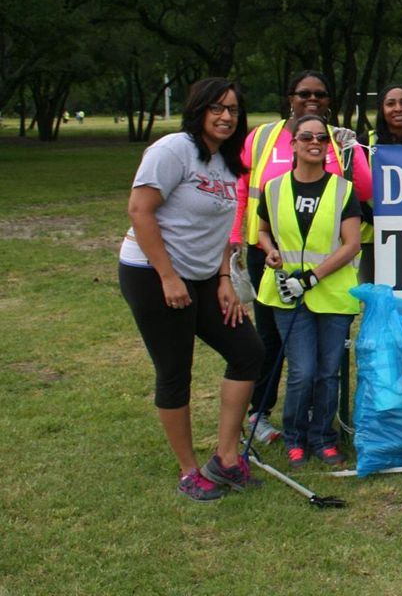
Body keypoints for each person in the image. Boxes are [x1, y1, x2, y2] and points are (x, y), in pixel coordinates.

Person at [119, 78, 264, 501]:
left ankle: (226, 459)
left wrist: (222, 279)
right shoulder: (172, 150)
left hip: (202, 279)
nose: (226, 116)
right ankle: (189, 472)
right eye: (217, 108)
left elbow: (219, 226)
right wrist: (167, 277)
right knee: (175, 371)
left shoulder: (225, 160)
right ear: (198, 109)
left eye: (234, 110)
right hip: (152, 274)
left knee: (247, 352)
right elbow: (139, 210)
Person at [231, 71, 371, 446]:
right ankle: (260, 413)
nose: (313, 99)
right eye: (304, 93)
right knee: (270, 343)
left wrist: (351, 150)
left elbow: (365, 189)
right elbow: (244, 190)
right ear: (290, 97)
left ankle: (315, 421)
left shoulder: (338, 143)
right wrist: (243, 241)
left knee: (319, 363)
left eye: (321, 94)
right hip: (272, 257)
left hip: (328, 270)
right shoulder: (262, 137)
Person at [257, 114, 361, 468]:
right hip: (286, 294)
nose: (314, 142)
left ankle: (323, 437)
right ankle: (295, 436)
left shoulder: (343, 189)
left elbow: (352, 244)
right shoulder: (273, 187)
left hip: (332, 294)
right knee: (302, 370)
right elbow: (262, 230)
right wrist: (268, 249)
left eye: (321, 137)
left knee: (328, 370)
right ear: (294, 144)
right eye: (306, 137)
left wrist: (314, 276)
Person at [359, 84, 402, 284]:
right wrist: (383, 221)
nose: (398, 108)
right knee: (376, 302)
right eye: (390, 103)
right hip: (370, 240)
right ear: (382, 109)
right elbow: (354, 191)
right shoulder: (363, 144)